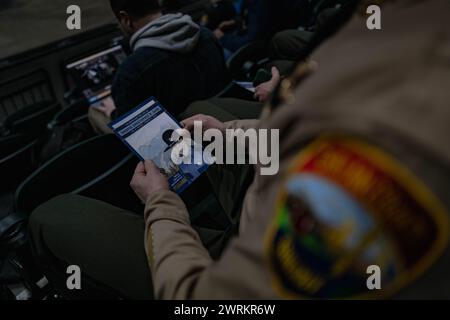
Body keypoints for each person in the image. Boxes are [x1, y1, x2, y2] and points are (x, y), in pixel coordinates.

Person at [29, 0, 450, 299]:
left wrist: (160, 204)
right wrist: (230, 135)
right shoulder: (400, 26)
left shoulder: (408, 108)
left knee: (49, 213)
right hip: (261, 210)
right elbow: (315, 134)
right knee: (201, 116)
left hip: (230, 259)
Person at [89, 0, 231, 133]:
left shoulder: (131, 71)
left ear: (125, 18)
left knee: (94, 112)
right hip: (222, 122)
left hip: (181, 144)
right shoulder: (206, 35)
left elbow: (135, 133)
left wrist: (112, 113)